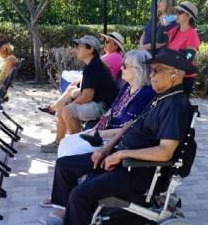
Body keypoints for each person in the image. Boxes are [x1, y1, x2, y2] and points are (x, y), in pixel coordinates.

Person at [43, 48, 194, 225]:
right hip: (123, 156)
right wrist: (106, 149)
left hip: (138, 170)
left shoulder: (175, 106)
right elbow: (131, 125)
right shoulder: (160, 98)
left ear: (174, 75)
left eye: (156, 70)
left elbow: (165, 152)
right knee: (65, 165)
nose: (151, 75)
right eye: (150, 70)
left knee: (80, 194)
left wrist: (121, 154)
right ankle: (66, 212)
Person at [39, 49, 156, 208]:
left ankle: (63, 200)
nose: (121, 68)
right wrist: (96, 128)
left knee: (69, 153)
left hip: (115, 141)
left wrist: (99, 132)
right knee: (66, 144)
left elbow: (130, 127)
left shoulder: (145, 94)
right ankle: (63, 196)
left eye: (125, 66)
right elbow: (112, 110)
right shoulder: (127, 87)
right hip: (104, 133)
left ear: (138, 70)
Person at [41, 35, 118, 153]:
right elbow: (85, 92)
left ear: (90, 49)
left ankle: (76, 146)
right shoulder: (91, 65)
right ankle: (58, 143)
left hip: (105, 108)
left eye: (81, 46)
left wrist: (70, 104)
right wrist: (68, 101)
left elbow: (87, 96)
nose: (77, 49)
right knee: (63, 106)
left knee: (67, 110)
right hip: (98, 103)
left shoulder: (94, 67)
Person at [167, 1, 200, 98]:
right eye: (176, 12)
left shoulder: (192, 33)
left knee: (180, 105)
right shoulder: (174, 30)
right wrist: (164, 22)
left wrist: (179, 67)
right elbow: (160, 37)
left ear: (188, 16)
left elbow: (190, 55)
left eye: (180, 12)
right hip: (171, 73)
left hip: (184, 77)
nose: (177, 14)